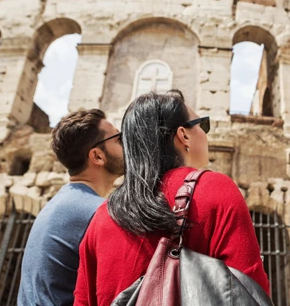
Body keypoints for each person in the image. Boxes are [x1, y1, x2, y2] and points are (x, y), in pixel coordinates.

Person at [74, 90, 270, 305]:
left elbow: (83, 301)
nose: (206, 134)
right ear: (183, 135)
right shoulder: (215, 189)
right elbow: (250, 291)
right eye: (202, 125)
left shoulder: (103, 215)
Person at [18, 109, 124, 306]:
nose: (126, 144)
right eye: (119, 139)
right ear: (98, 156)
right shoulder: (98, 213)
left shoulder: (58, 205)